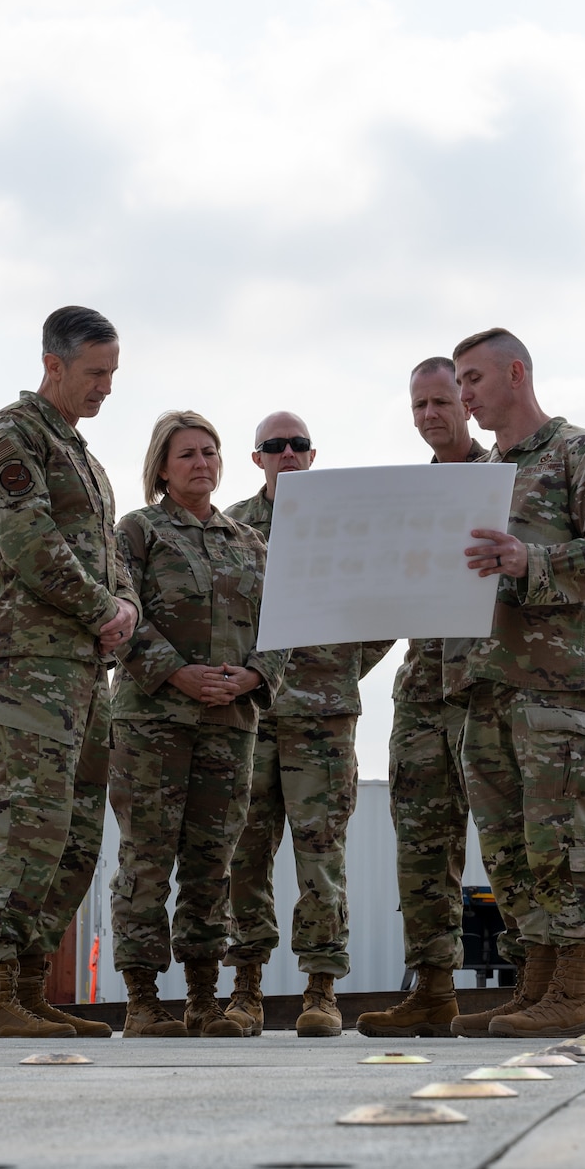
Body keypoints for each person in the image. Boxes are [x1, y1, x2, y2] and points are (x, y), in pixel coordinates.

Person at [444, 328, 585, 1038]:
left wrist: (531, 559)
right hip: (488, 684)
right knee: (508, 848)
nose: (462, 394)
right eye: (458, 382)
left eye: (472, 378)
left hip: (556, 685)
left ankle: (572, 991)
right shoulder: (483, 474)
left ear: (516, 373)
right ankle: (534, 987)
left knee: (562, 839)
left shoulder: (583, 456)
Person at [0, 306, 139, 1040]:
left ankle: (28, 988)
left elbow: (108, 554)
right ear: (52, 364)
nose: (105, 388)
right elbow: (26, 536)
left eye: (113, 375)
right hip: (28, 664)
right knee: (28, 823)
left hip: (84, 672)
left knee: (74, 837)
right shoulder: (10, 434)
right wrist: (103, 607)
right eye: (95, 373)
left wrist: (123, 604)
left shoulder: (86, 458)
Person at [109, 411, 289, 1037]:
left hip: (229, 724)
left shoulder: (251, 543)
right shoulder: (138, 532)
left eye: (210, 452)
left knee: (213, 862)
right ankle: (141, 999)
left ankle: (203, 998)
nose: (202, 464)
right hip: (153, 722)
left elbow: (282, 625)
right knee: (148, 859)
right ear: (162, 466)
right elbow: (118, 615)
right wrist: (175, 672)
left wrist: (255, 676)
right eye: (187, 454)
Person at [223, 413, 393, 1037]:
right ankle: (245, 990)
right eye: (275, 446)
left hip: (322, 717)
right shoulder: (233, 527)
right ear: (257, 458)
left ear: (312, 455)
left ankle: (321, 991)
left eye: (297, 445)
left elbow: (384, 605)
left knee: (321, 857)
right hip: (253, 713)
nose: (287, 453)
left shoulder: (346, 525)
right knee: (245, 854)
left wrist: (342, 668)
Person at [357, 358, 491, 1037]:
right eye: (419, 406)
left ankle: (536, 987)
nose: (432, 414)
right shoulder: (405, 497)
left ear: (467, 403)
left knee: (512, 844)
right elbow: (383, 595)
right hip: (421, 691)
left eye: (442, 400)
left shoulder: (506, 482)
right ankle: (433, 991)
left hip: (490, 687)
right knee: (421, 848)